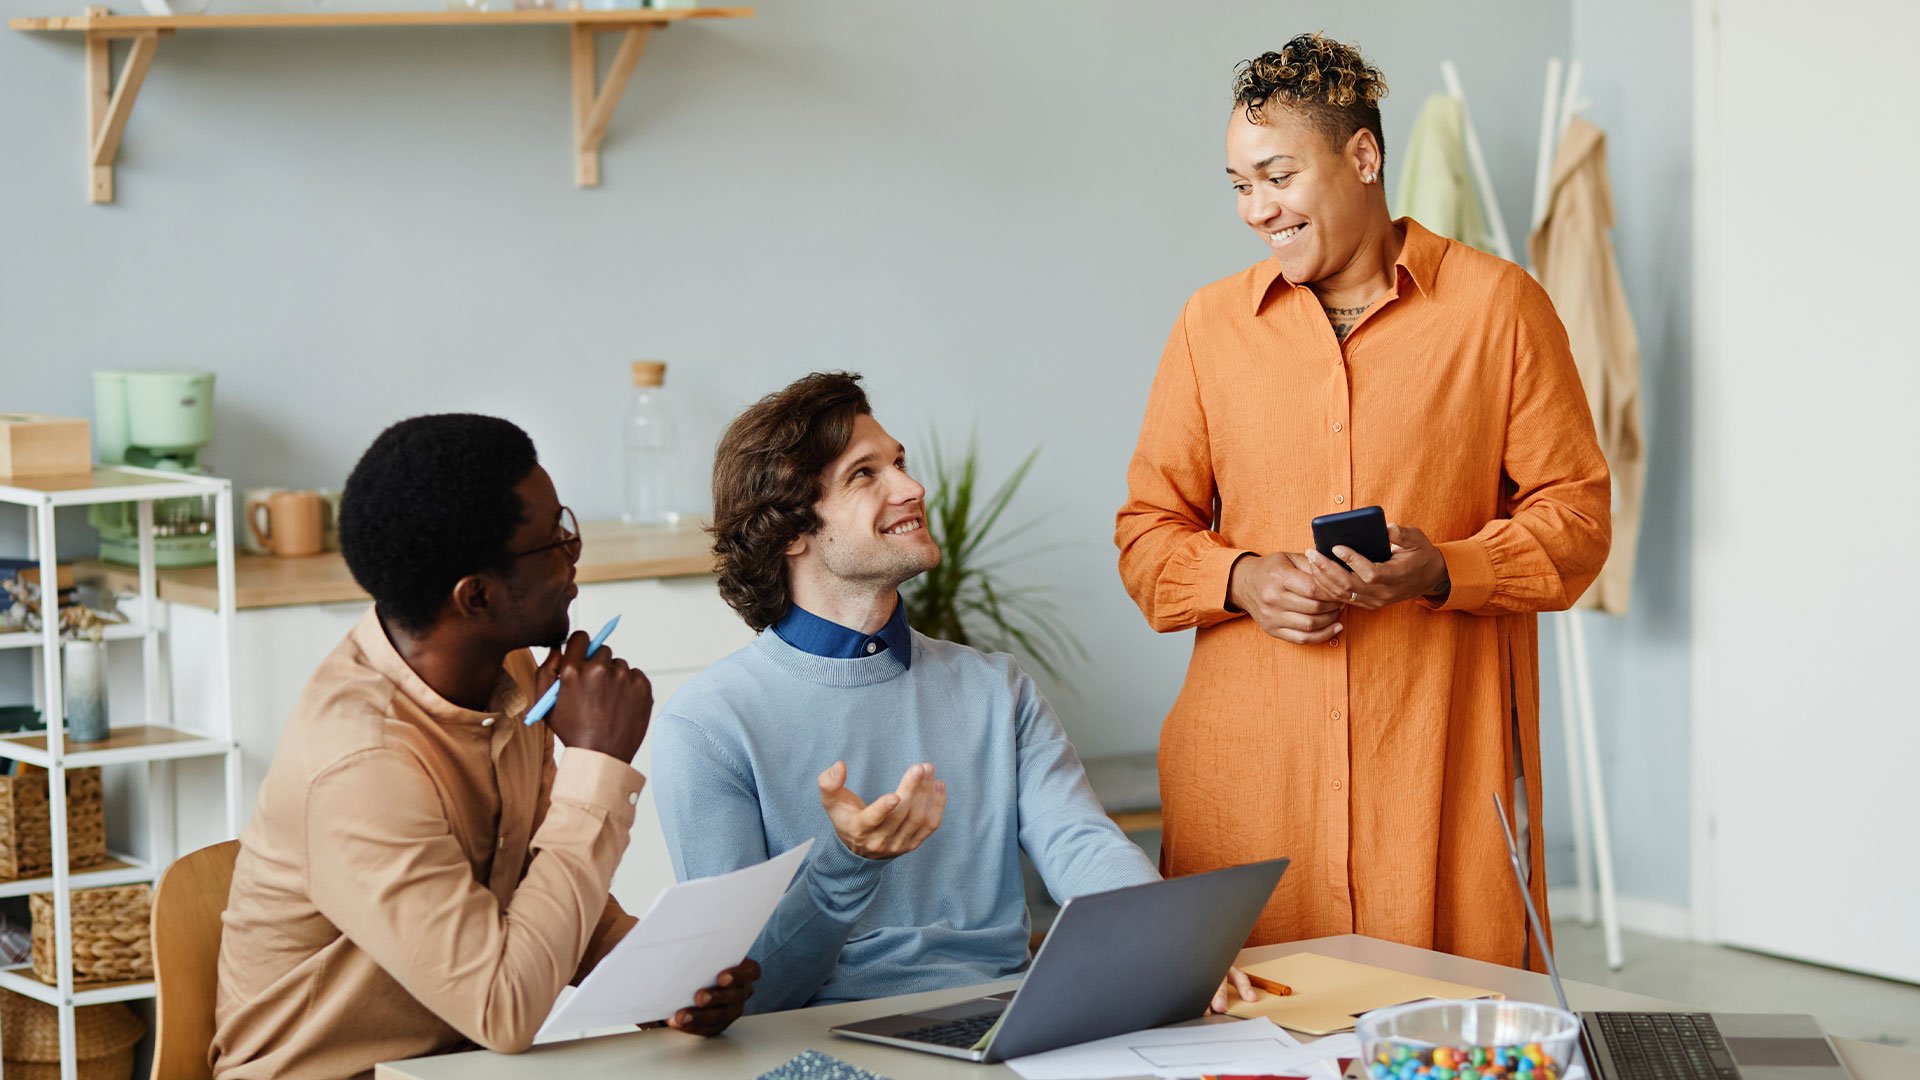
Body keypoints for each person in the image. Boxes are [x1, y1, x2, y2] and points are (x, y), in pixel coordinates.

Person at [1114, 34, 1611, 970]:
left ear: (1364, 158)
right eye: (1237, 184)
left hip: (1435, 780)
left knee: (1450, 1043)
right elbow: (1146, 534)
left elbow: (1578, 522)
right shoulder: (1209, 327)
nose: (1257, 208)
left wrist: (1446, 568)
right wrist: (1243, 578)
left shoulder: (1501, 309)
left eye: (1277, 175)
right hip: (1251, 780)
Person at [652, 372, 1253, 1013]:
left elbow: (1081, 843)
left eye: (900, 463)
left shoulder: (996, 689)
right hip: (815, 1044)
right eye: (865, 474)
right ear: (791, 530)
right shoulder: (709, 726)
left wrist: (1169, 938)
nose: (911, 488)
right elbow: (738, 991)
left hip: (1003, 1027)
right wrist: (846, 865)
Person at [212, 414, 757, 1079]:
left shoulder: (518, 678)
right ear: (476, 596)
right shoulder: (363, 764)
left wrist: (664, 973)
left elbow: (534, 880)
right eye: (553, 539)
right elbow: (505, 1009)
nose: (573, 553)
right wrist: (597, 763)